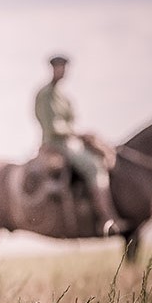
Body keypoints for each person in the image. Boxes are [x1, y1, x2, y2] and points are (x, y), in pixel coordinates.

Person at [34, 54, 129, 236]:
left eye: (65, 67)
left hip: (70, 140)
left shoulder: (63, 96)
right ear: (53, 69)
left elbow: (72, 120)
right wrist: (77, 133)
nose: (63, 71)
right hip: (56, 142)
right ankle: (107, 218)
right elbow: (52, 126)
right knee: (93, 166)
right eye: (59, 67)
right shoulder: (45, 94)